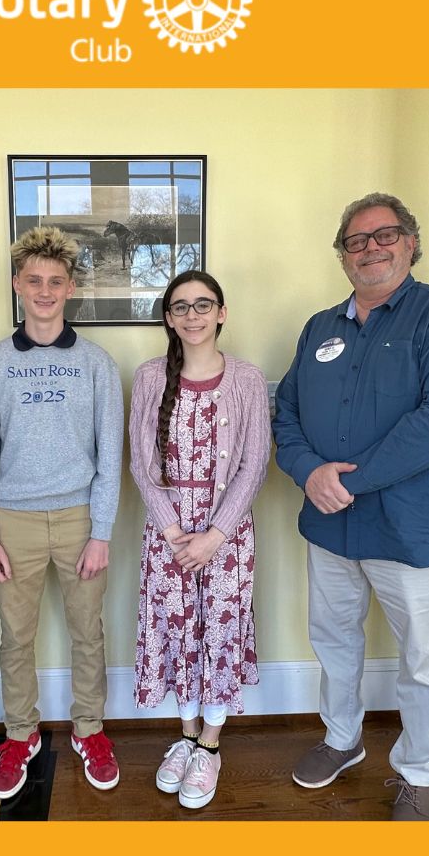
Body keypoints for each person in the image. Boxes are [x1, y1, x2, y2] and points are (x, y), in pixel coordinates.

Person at [273, 192, 429, 821]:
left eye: (385, 235)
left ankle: (418, 773)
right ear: (343, 255)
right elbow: (286, 411)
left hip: (411, 530)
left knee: (421, 658)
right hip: (330, 526)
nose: (370, 248)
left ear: (411, 244)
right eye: (356, 240)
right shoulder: (320, 327)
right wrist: (308, 471)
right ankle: (341, 739)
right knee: (333, 639)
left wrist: (352, 480)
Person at [0, 226, 124, 801]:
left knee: (88, 631)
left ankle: (90, 729)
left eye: (55, 281)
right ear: (17, 284)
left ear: (70, 288)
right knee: (16, 636)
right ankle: (20, 734)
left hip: (81, 518)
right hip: (13, 521)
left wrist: (101, 532)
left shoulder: (96, 363)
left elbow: (111, 455)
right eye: (33, 280)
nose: (44, 291)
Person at [129, 271, 271, 809]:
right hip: (166, 533)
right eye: (181, 307)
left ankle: (210, 745)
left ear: (221, 313)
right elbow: (141, 462)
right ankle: (186, 736)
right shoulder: (149, 377)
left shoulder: (247, 379)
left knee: (220, 629)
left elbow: (255, 463)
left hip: (226, 536)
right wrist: (173, 532)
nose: (193, 315)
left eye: (203, 304)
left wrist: (214, 535)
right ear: (169, 318)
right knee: (177, 628)